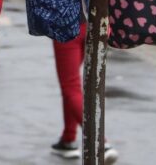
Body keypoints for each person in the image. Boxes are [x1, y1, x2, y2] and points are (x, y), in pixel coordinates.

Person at [51, 26, 119, 162]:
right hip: (98, 25)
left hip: (67, 25)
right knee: (71, 86)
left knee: (70, 86)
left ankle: (100, 143)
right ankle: (68, 139)